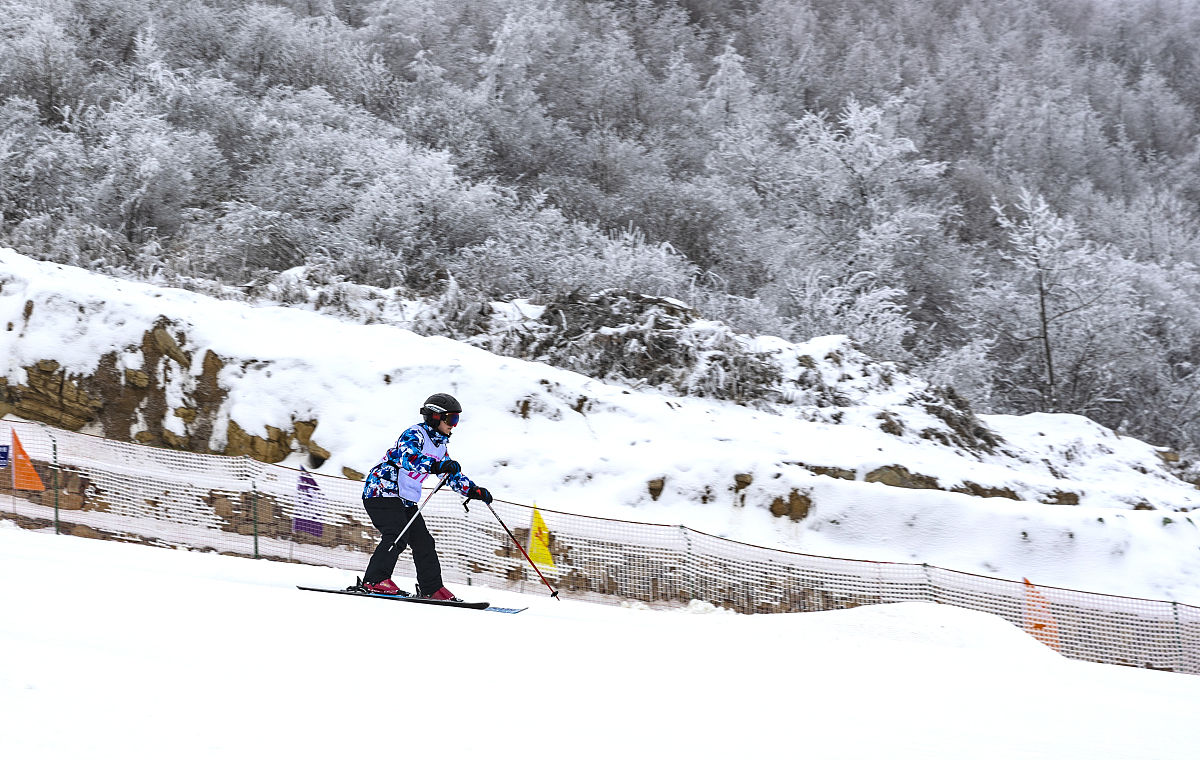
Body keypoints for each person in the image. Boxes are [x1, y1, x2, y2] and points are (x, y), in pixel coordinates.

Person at [355, 392, 492, 600]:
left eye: (457, 419)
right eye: (451, 419)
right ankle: (375, 580)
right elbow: (408, 458)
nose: (454, 425)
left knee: (424, 542)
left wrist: (472, 490)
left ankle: (431, 588)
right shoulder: (415, 434)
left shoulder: (440, 446)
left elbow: (450, 474)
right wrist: (436, 466)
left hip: (405, 498)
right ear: (435, 417)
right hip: (381, 491)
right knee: (397, 534)